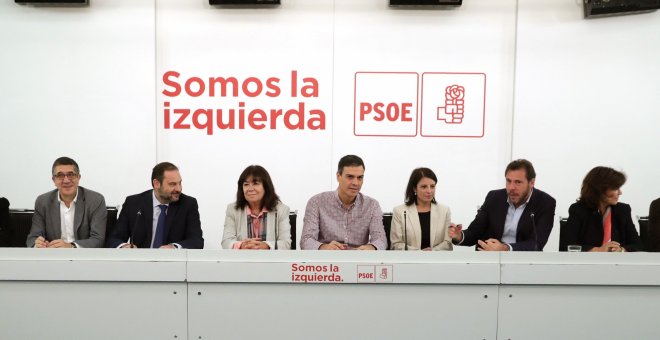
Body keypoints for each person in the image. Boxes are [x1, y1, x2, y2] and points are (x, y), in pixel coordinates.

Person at [449, 159, 556, 251]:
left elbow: (536, 244)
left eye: (518, 182)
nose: (511, 187)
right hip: (490, 261)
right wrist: (459, 236)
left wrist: (505, 248)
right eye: (508, 181)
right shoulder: (494, 197)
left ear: (531, 183)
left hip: (524, 264)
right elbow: (475, 232)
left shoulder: (545, 202)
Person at [106, 162, 203, 249]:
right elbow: (114, 239)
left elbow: (197, 241)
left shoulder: (188, 204)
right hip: (140, 264)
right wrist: (124, 246)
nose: (179, 189)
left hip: (173, 265)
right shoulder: (134, 203)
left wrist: (174, 247)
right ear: (156, 184)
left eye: (180, 183)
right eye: (172, 184)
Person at [300, 155, 386, 250]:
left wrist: (371, 247)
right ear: (338, 176)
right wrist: (324, 247)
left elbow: (381, 240)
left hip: (359, 260)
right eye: (350, 177)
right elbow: (306, 240)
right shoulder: (317, 202)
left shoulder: (372, 205)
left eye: (360, 178)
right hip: (327, 261)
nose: (356, 183)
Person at [26, 157, 107, 248]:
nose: (66, 180)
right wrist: (37, 244)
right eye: (60, 175)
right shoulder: (43, 202)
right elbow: (32, 238)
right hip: (53, 256)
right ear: (54, 180)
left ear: (78, 177)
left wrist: (71, 246)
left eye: (71, 174)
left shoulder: (95, 200)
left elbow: (98, 239)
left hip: (84, 257)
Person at [564, 166, 641, 252]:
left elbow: (637, 244)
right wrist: (598, 250)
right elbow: (568, 245)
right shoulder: (578, 210)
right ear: (600, 189)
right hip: (588, 263)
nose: (620, 193)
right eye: (615, 188)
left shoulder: (623, 210)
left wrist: (621, 249)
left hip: (617, 263)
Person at [221, 165, 291, 250]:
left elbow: (286, 244)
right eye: (246, 184)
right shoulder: (232, 210)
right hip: (243, 261)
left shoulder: (281, 210)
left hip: (270, 261)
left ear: (266, 187)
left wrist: (266, 246)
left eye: (256, 183)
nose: (250, 189)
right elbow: (226, 242)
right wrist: (242, 245)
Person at [390, 167, 452, 251]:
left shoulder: (444, 211)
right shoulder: (399, 211)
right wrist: (420, 253)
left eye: (432, 186)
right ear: (414, 188)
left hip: (436, 260)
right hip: (410, 261)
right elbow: (395, 244)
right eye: (424, 187)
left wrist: (432, 251)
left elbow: (448, 243)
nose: (429, 191)